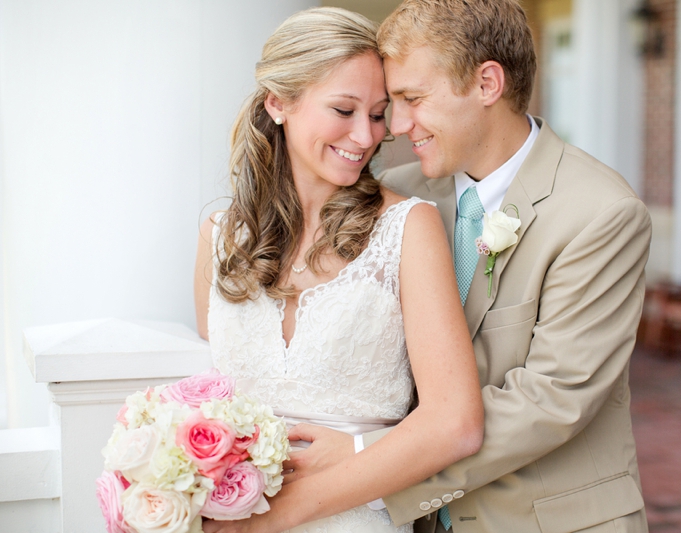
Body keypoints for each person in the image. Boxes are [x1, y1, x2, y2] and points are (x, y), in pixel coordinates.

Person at [287, 1, 652, 532]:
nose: (396, 125)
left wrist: (366, 454)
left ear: (487, 84)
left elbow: (552, 399)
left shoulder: (601, 213)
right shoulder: (398, 198)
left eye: (412, 99)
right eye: (394, 102)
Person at [193, 7, 484, 533]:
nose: (366, 135)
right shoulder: (220, 237)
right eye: (343, 110)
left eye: (377, 114)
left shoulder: (409, 228)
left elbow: (454, 424)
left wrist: (275, 518)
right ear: (278, 103)